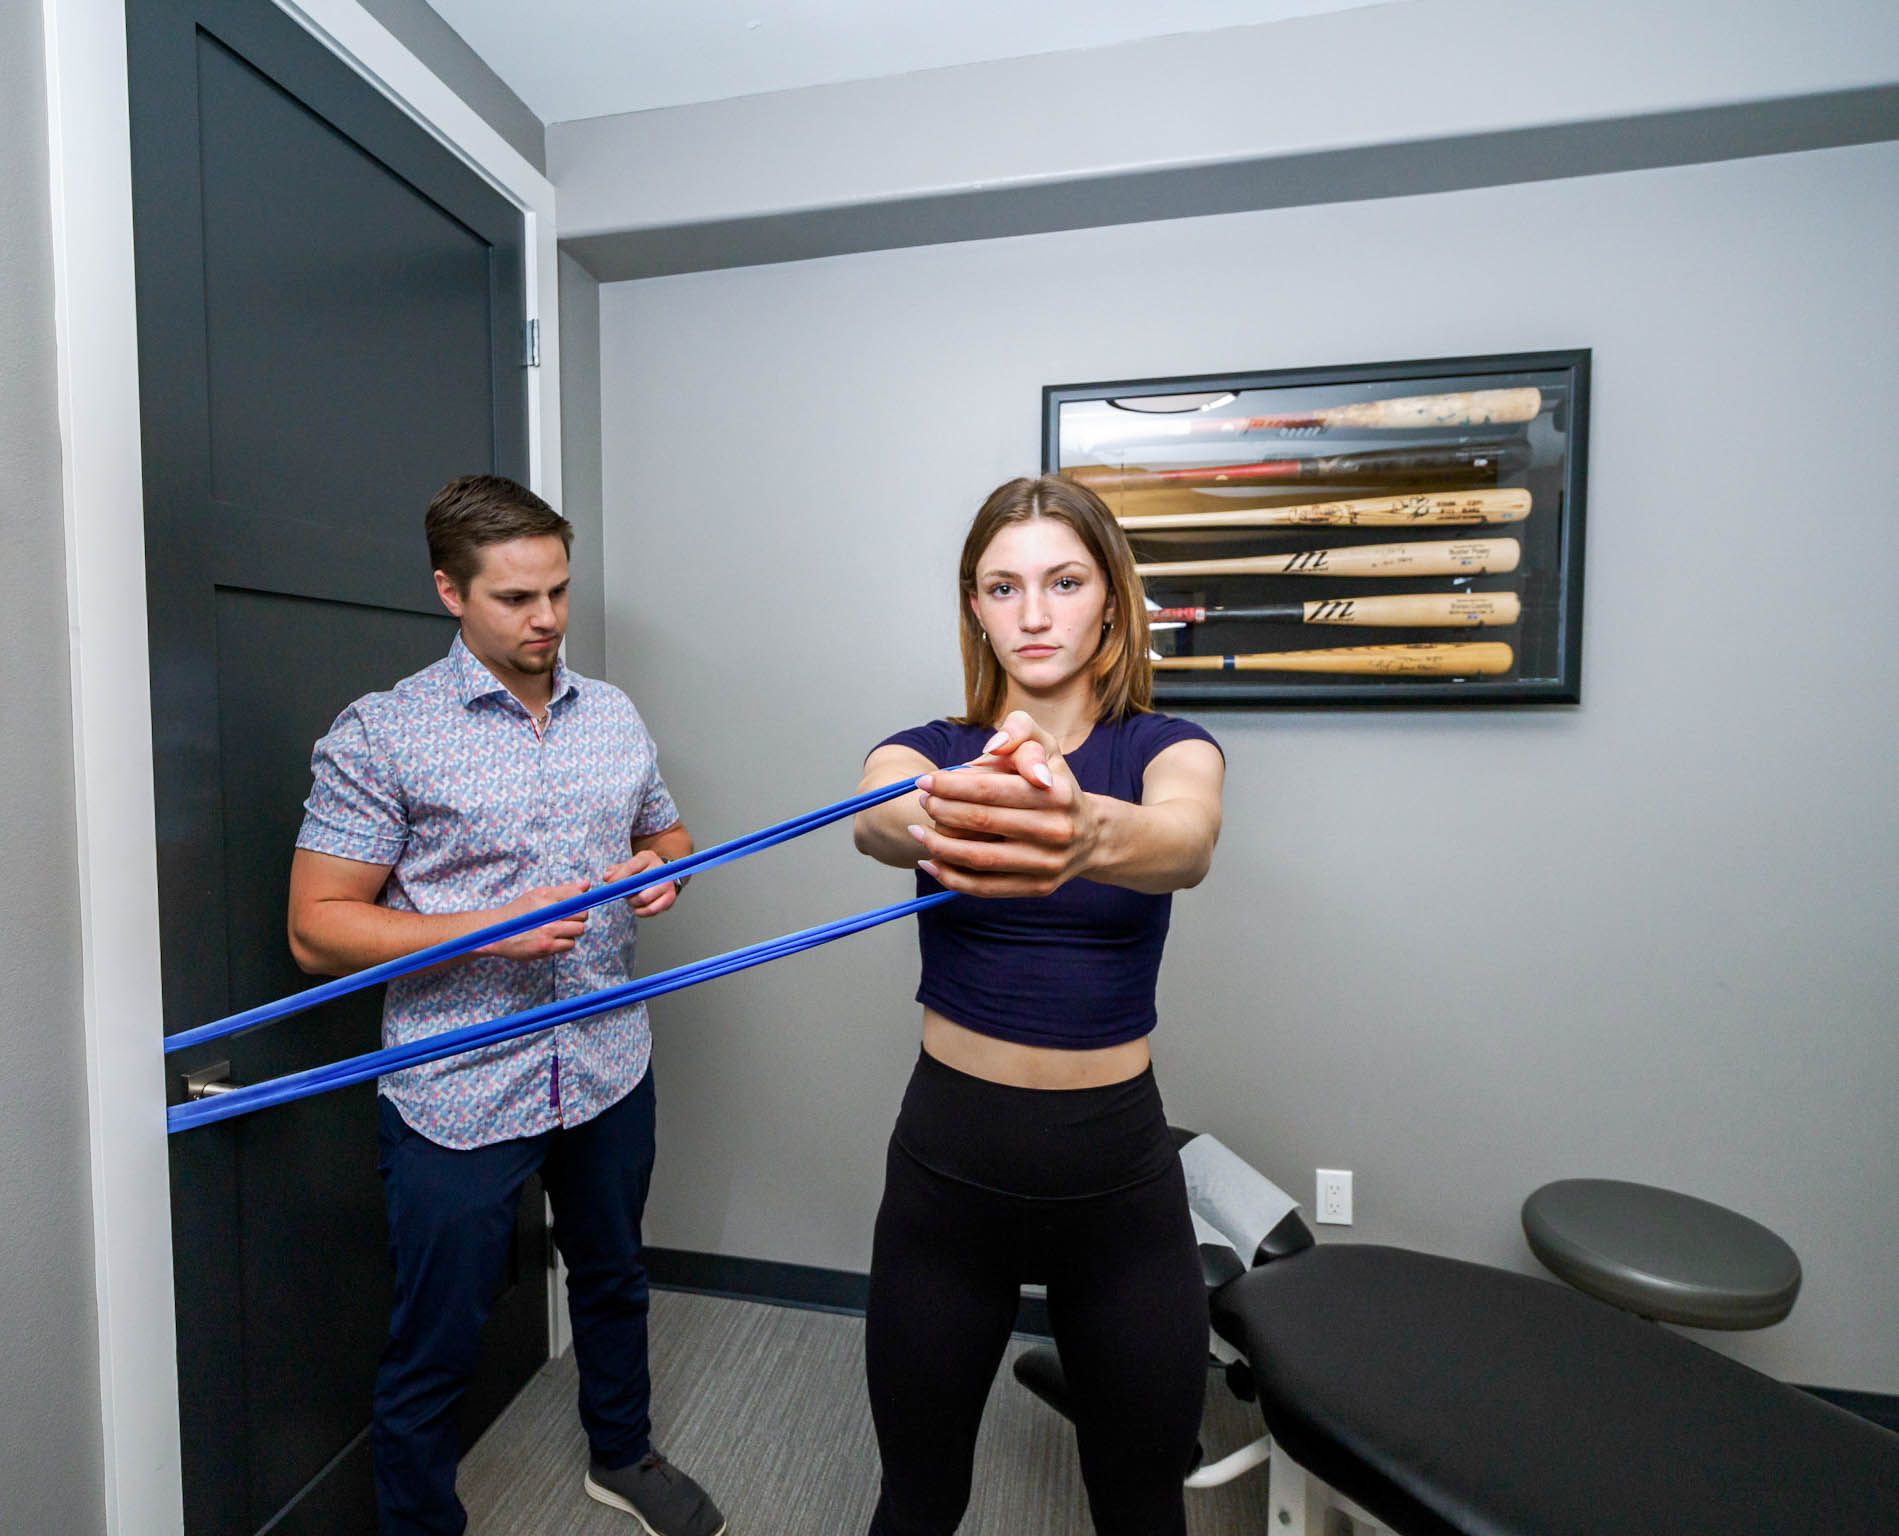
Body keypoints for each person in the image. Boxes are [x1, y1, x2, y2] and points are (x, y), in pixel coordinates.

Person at [287, 475, 725, 1536]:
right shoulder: (383, 734)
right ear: (450, 591)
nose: (546, 621)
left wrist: (662, 868)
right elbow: (316, 927)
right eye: (516, 599)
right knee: (438, 1334)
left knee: (615, 1277)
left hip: (608, 1056)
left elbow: (669, 837)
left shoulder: (612, 716)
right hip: (459, 1081)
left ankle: (621, 1454)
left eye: (559, 593)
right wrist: (485, 929)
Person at [852, 473, 1226, 1535]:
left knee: (1142, 1508)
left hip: (1118, 1189)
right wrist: (937, 809)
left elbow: (1185, 840)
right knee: (917, 1503)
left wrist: (1088, 834)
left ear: (1110, 596)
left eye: (1063, 582)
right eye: (1001, 586)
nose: (1032, 613)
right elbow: (878, 816)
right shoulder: (929, 748)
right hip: (946, 1180)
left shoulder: (1167, 748)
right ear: (973, 605)